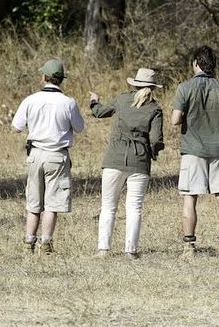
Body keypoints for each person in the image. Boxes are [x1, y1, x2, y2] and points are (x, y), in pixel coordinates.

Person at [171, 45, 219, 259]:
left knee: (190, 198)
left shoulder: (184, 88)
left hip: (192, 150)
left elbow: (174, 119)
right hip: (218, 149)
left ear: (196, 64)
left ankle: (189, 247)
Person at [89, 68, 165, 260]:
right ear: (153, 88)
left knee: (108, 206)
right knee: (134, 208)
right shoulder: (155, 109)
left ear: (135, 84)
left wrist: (94, 100)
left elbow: (99, 112)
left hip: (114, 157)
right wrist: (151, 153)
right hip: (139, 161)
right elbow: (156, 140)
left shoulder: (122, 100)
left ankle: (103, 250)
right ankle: (130, 250)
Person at [11, 59, 85, 255]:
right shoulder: (68, 102)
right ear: (61, 80)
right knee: (52, 203)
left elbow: (16, 127)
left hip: (35, 154)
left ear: (43, 77)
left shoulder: (30, 100)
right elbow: (79, 127)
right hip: (57, 156)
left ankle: (28, 243)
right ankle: (46, 243)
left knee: (34, 203)